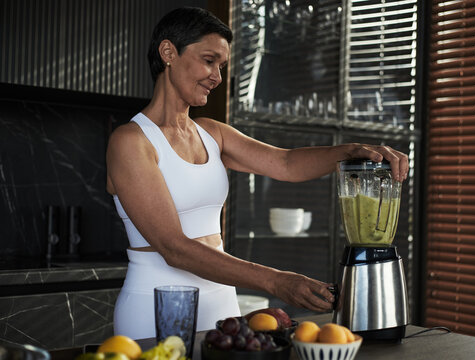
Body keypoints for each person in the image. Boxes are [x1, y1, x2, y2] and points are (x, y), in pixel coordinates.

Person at [106, 6, 409, 340]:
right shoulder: (131, 141)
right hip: (153, 308)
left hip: (222, 307)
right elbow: (173, 247)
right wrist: (276, 281)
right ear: (169, 52)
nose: (218, 77)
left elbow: (285, 164)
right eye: (209, 60)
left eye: (222, 66)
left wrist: (350, 150)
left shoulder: (212, 133)